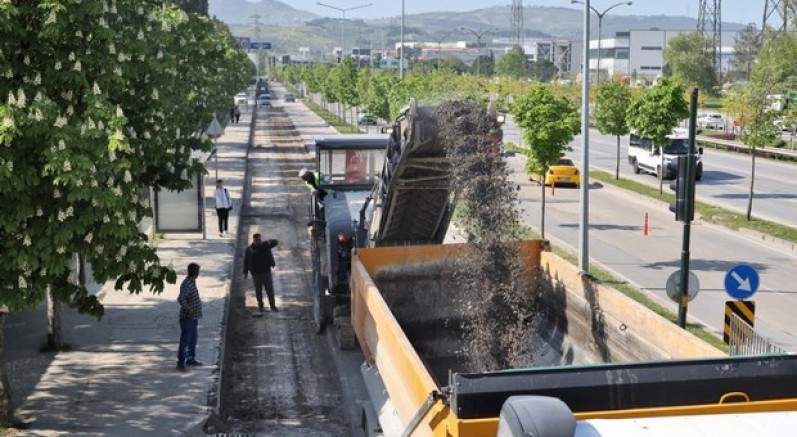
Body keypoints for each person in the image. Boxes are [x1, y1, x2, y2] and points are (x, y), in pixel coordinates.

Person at [176, 263, 203, 371]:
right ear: (195, 273)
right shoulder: (187, 284)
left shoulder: (192, 282)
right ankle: (181, 362)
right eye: (198, 271)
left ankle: (191, 358)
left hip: (193, 317)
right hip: (187, 318)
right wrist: (189, 309)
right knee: (185, 340)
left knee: (193, 339)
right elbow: (181, 299)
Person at [243, 233, 279, 312]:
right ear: (253, 240)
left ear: (260, 239)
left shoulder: (265, 245)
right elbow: (246, 261)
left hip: (266, 272)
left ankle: (272, 305)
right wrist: (245, 272)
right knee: (258, 290)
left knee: (269, 289)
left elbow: (276, 242)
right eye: (256, 240)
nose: (258, 242)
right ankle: (260, 305)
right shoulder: (249, 249)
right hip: (256, 274)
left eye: (259, 240)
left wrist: (271, 241)